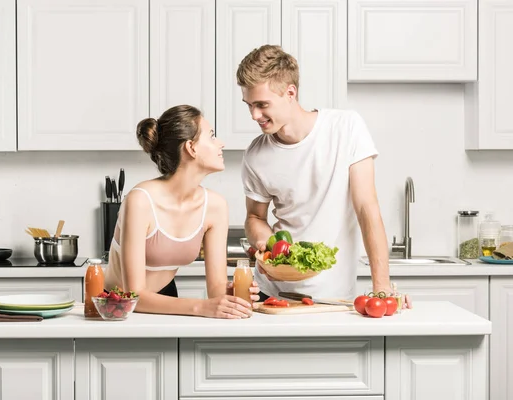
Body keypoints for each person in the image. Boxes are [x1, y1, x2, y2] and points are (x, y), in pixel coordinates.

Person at [237, 45, 411, 306]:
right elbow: (254, 217)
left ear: (290, 93)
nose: (254, 115)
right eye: (249, 105)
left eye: (262, 105)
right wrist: (265, 244)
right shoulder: (255, 154)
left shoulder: (346, 128)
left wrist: (381, 286)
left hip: (335, 295)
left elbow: (366, 208)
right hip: (273, 294)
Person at [104, 104, 259, 319]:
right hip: (116, 306)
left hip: (165, 300)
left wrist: (233, 297)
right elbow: (133, 295)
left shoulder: (215, 206)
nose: (220, 143)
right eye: (212, 136)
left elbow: (216, 289)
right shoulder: (140, 200)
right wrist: (201, 307)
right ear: (191, 147)